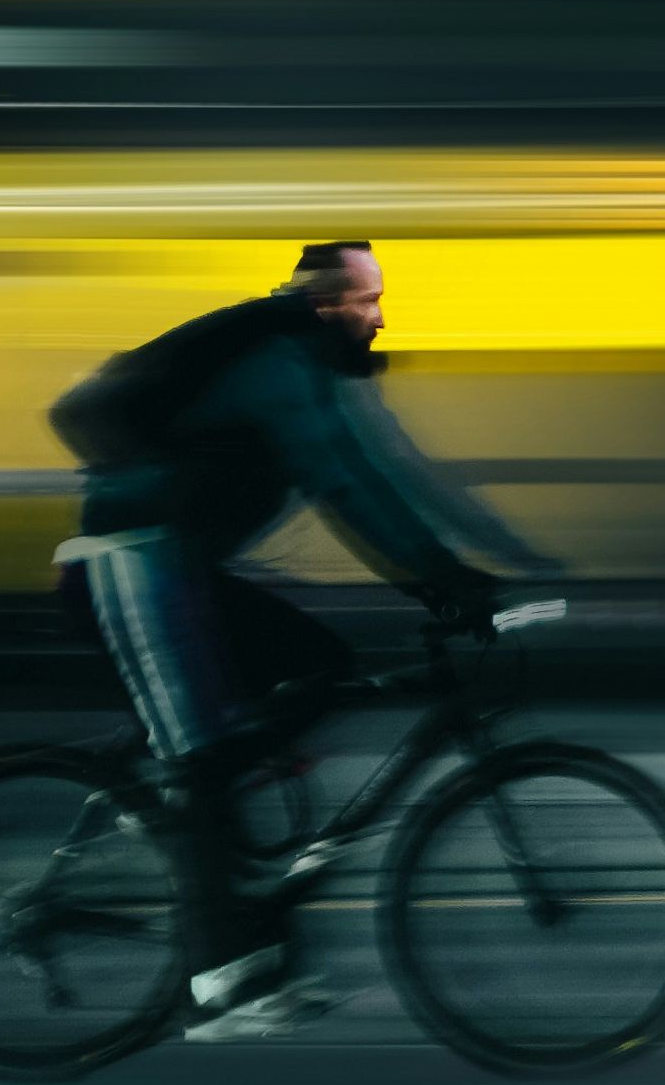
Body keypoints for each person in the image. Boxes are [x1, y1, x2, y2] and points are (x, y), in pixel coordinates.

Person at [49, 240, 557, 1042]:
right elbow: (345, 485)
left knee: (321, 665)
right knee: (208, 765)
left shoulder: (315, 371)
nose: (380, 316)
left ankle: (188, 811)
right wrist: (443, 582)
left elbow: (399, 474)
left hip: (180, 572)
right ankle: (222, 981)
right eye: (365, 300)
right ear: (323, 300)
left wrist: (507, 566)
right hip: (132, 563)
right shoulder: (279, 364)